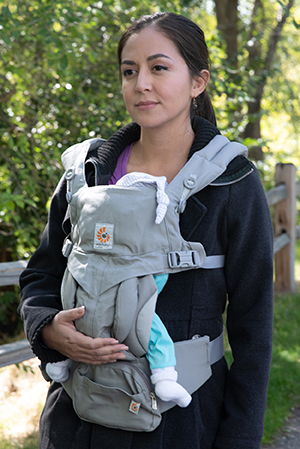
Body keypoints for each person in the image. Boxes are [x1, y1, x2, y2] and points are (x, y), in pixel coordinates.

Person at [18, 11, 273, 449]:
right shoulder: (86, 174)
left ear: (197, 82)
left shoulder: (231, 182)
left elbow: (253, 322)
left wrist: (239, 436)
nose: (141, 84)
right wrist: (47, 329)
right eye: (129, 71)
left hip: (184, 421)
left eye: (159, 68)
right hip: (78, 419)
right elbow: (41, 276)